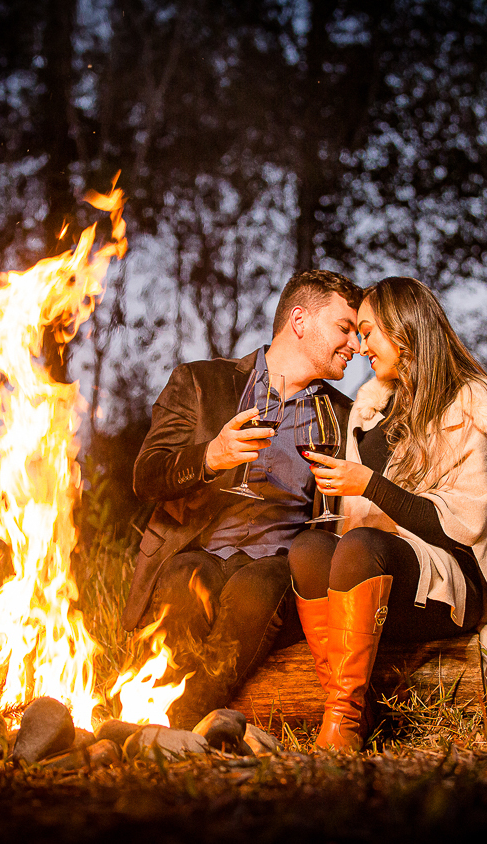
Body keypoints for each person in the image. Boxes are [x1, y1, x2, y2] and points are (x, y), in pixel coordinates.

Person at [122, 269, 363, 729]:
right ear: (299, 321)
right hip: (200, 551)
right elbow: (146, 477)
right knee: (182, 577)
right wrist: (210, 456)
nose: (355, 344)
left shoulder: (342, 415)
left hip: (279, 568)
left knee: (257, 584)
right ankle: (154, 716)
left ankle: (182, 726)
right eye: (344, 328)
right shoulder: (200, 382)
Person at [289, 275, 487, 751]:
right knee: (308, 548)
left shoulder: (469, 404)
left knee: (360, 546)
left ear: (404, 329)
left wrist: (370, 485)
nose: (360, 347)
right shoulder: (370, 413)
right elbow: (354, 524)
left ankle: (342, 725)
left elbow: (463, 527)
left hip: (452, 585)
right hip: (377, 578)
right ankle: (350, 706)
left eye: (368, 332)